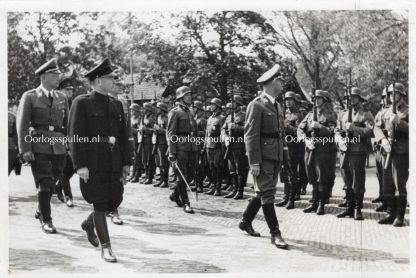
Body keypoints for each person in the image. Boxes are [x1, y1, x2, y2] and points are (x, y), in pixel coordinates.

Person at [68, 58, 132, 262]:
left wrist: (126, 162)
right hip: (93, 162)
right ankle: (106, 247)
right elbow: (75, 136)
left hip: (113, 160)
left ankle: (89, 223)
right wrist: (80, 165)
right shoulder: (82, 102)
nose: (114, 80)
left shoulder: (116, 104)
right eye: (109, 77)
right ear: (97, 81)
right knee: (99, 202)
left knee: (114, 200)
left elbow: (124, 135)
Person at [238, 65, 288, 249]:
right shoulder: (256, 105)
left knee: (263, 191)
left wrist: (283, 156)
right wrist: (254, 162)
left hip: (275, 156)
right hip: (263, 157)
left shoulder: (277, 105)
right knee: (268, 194)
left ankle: (245, 221)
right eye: (280, 81)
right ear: (273, 82)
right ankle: (275, 233)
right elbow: (250, 135)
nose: (282, 85)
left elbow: (279, 133)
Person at [16, 58, 69, 234]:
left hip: (59, 145)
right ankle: (47, 220)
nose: (58, 78)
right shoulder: (30, 96)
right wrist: (25, 150)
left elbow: (67, 124)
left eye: (58, 75)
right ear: (45, 76)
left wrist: (69, 144)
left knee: (55, 179)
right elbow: (22, 125)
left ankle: (41, 209)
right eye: (55, 75)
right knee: (45, 182)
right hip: (39, 145)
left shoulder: (62, 97)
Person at [335, 87, 374, 220]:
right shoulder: (342, 113)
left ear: (359, 98)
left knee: (357, 181)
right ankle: (349, 207)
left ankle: (358, 208)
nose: (350, 100)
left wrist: (354, 128)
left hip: (358, 151)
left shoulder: (365, 114)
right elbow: (337, 130)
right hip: (344, 150)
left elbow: (371, 131)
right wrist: (339, 139)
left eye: (353, 97)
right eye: (348, 97)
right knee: (346, 179)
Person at [373, 82, 408, 227]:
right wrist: (382, 140)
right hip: (387, 150)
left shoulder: (408, 110)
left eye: (395, 94)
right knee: (387, 184)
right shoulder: (385, 112)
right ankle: (390, 213)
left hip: (400, 151)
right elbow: (377, 127)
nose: (392, 96)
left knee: (399, 185)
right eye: (390, 94)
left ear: (401, 95)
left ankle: (399, 216)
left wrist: (400, 122)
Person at [298, 90, 337, 215]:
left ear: (324, 100)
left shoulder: (330, 114)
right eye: (315, 98)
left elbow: (333, 131)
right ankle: (314, 203)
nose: (316, 100)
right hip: (310, 148)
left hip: (323, 149)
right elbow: (300, 128)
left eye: (319, 98)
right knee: (312, 176)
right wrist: (305, 139)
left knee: (321, 177)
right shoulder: (309, 114)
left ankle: (321, 204)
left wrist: (320, 127)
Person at [167, 86, 198, 213]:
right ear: (181, 98)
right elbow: (170, 133)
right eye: (187, 95)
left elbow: (194, 131)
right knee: (182, 176)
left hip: (192, 146)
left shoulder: (190, 112)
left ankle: (175, 195)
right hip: (180, 147)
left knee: (190, 175)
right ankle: (186, 203)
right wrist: (172, 151)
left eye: (190, 95)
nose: (190, 97)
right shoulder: (175, 112)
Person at [276, 91, 305, 209]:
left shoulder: (299, 115)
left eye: (290, 100)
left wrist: (284, 125)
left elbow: (298, 131)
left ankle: (292, 199)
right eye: (286, 100)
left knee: (292, 173)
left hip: (294, 147)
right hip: (284, 145)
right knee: (284, 172)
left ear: (295, 101)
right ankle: (286, 196)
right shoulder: (284, 114)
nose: (288, 102)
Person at [54, 78, 76, 207]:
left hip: (74, 139)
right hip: (60, 139)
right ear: (60, 90)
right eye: (67, 89)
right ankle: (68, 196)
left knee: (73, 168)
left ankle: (58, 186)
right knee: (63, 169)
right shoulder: (56, 104)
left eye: (71, 90)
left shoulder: (74, 103)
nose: (69, 92)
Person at [222, 95, 248, 200]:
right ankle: (234, 189)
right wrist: (226, 138)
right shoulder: (229, 117)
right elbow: (223, 129)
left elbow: (247, 129)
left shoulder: (244, 115)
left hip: (239, 145)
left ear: (238, 103)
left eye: (233, 102)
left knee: (239, 169)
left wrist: (235, 127)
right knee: (232, 169)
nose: (231, 104)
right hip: (230, 145)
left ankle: (240, 191)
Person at [203, 98, 225, 196]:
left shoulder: (221, 118)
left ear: (218, 106)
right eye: (211, 105)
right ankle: (213, 185)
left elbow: (222, 133)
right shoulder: (210, 118)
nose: (211, 106)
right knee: (211, 167)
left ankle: (218, 188)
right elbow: (207, 134)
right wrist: (204, 146)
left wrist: (222, 147)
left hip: (217, 146)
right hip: (209, 145)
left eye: (213, 105)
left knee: (218, 167)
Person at [192, 100, 207, 193]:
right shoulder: (195, 118)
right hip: (195, 143)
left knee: (200, 166)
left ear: (197, 108)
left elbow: (206, 133)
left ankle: (200, 186)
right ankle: (196, 183)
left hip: (200, 144)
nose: (192, 109)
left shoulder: (202, 120)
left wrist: (196, 133)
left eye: (194, 107)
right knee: (195, 166)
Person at [153, 102, 169, 188]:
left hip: (164, 143)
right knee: (158, 162)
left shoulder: (166, 119)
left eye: (158, 108)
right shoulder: (158, 118)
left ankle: (165, 181)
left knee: (163, 163)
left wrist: (159, 129)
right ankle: (161, 180)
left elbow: (168, 131)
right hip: (157, 142)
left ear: (162, 110)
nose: (157, 110)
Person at [140, 102, 156, 184]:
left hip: (150, 140)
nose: (143, 110)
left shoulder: (152, 117)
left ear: (148, 109)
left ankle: (149, 177)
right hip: (143, 139)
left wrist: (145, 128)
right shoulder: (144, 117)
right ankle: (146, 175)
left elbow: (154, 129)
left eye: (144, 108)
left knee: (149, 159)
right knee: (144, 159)